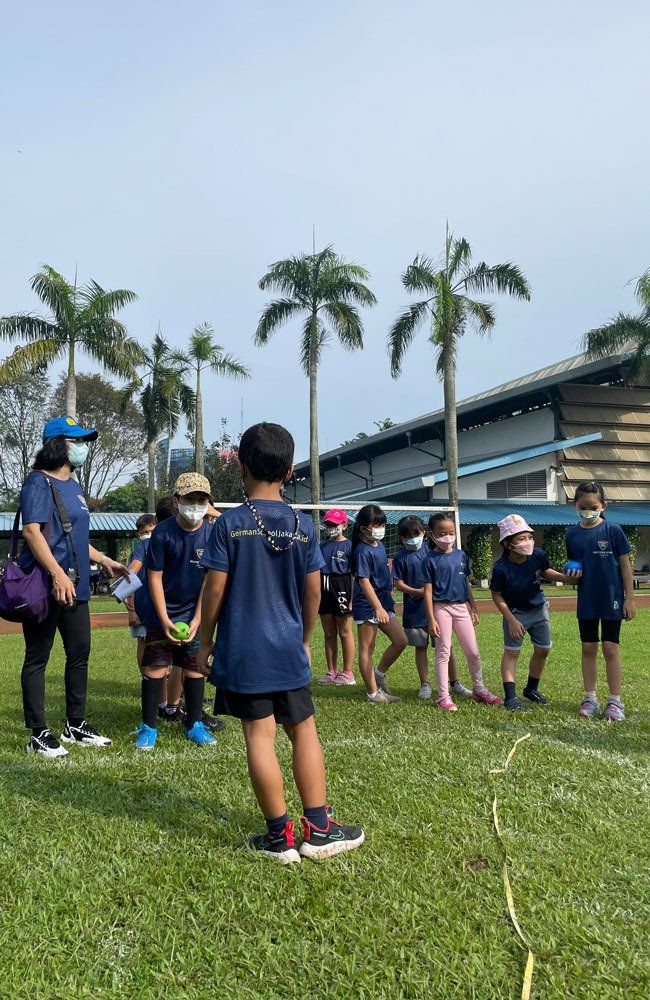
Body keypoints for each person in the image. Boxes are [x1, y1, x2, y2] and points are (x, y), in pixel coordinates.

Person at [198, 422, 363, 863]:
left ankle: (279, 838)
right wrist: (305, 638)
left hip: (241, 652)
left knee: (259, 736)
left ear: (242, 464)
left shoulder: (229, 523)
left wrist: (205, 640)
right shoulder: (303, 525)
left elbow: (214, 591)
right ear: (289, 470)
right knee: (303, 730)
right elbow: (315, 591)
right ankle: (321, 831)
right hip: (288, 648)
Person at [18, 416, 129, 758]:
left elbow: (75, 536)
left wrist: (104, 560)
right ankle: (38, 734)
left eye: (82, 441)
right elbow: (32, 532)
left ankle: (75, 726)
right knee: (38, 658)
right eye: (75, 441)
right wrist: (56, 574)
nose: (81, 447)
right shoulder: (38, 482)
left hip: (76, 585)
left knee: (79, 654)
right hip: (47, 584)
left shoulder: (74, 486)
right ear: (57, 444)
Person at [135, 473, 217, 750]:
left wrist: (197, 619)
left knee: (195, 669)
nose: (195, 506)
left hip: (195, 612)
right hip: (163, 613)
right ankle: (148, 726)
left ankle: (194, 723)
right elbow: (154, 578)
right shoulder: (162, 533)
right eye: (190, 499)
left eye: (201, 500)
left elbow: (209, 580)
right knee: (157, 667)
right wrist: (165, 619)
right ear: (177, 500)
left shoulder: (211, 533)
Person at [565, 481, 636, 722]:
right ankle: (590, 697)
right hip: (587, 599)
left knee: (610, 647)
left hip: (612, 599)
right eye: (583, 506)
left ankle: (615, 700)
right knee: (588, 647)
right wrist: (570, 576)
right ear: (575, 505)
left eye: (593, 506)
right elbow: (574, 569)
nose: (588, 510)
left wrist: (630, 598)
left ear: (602, 506)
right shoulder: (571, 533)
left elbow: (625, 565)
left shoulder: (613, 530)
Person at [422, 512, 502, 710]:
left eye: (451, 532)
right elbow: (428, 591)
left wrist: (472, 606)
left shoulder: (461, 555)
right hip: (441, 608)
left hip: (461, 608)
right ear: (432, 535)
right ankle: (443, 696)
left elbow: (465, 583)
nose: (447, 537)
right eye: (442, 533)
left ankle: (479, 690)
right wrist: (431, 618)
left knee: (473, 652)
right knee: (444, 651)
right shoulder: (429, 560)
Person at [490, 514, 569, 711]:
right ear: (509, 544)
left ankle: (531, 689)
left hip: (539, 609)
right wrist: (511, 620)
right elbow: (497, 596)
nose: (528, 542)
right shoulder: (501, 568)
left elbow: (545, 571)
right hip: (515, 614)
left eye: (530, 537)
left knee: (543, 650)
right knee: (512, 653)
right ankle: (510, 697)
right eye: (522, 539)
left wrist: (564, 578)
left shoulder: (538, 555)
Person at [351, 504, 407, 704]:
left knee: (401, 640)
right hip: (368, 604)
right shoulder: (362, 551)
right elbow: (363, 581)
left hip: (383, 601)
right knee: (367, 648)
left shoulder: (379, 545)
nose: (380, 529)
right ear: (363, 529)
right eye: (376, 525)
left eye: (382, 524)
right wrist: (377, 607)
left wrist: (385, 602)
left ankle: (379, 674)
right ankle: (373, 693)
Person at [317, 508, 355, 686]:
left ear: (345, 525)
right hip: (324, 586)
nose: (331, 527)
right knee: (329, 632)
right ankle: (331, 671)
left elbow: (355, 575)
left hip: (342, 587)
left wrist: (352, 599)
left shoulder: (350, 546)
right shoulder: (322, 546)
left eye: (335, 524)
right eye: (328, 524)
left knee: (345, 632)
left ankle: (348, 672)